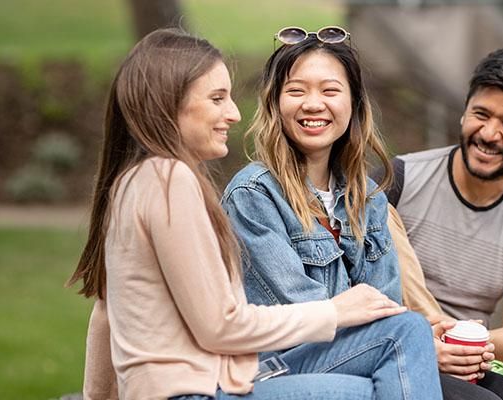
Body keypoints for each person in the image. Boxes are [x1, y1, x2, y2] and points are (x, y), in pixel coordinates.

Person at [67, 27, 438, 400]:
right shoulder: (171, 180)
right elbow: (220, 326)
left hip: (203, 384)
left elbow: (106, 307)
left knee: (398, 345)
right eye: (217, 98)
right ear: (170, 102)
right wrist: (334, 312)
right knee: (394, 352)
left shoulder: (137, 180)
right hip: (194, 391)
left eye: (330, 91)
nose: (232, 113)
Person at [221, 26, 447, 400]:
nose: (313, 104)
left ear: (354, 104)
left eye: (330, 91)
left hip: (354, 355)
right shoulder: (253, 194)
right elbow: (304, 311)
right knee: (405, 334)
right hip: (274, 365)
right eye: (296, 91)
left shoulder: (367, 198)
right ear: (275, 104)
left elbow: (382, 303)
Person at [380, 48, 503, 400]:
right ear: (464, 112)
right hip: (400, 333)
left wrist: (462, 343)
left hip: (477, 351)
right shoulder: (400, 179)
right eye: (481, 114)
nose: (489, 134)